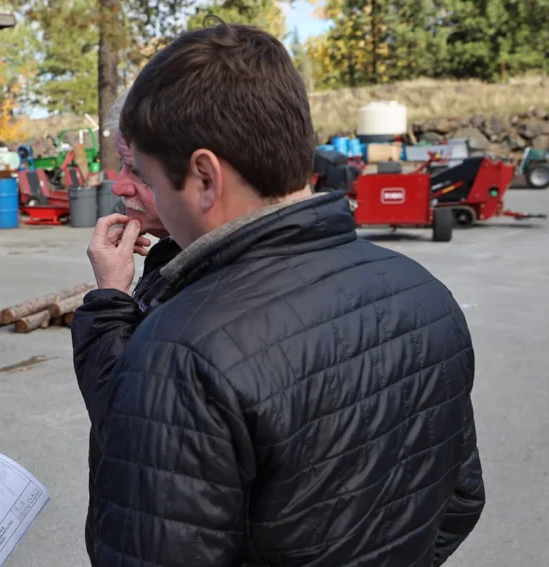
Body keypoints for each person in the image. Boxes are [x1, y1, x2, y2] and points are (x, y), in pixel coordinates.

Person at [85, 22, 485, 566]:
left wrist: (110, 308)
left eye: (146, 174)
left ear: (205, 177)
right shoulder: (425, 294)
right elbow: (458, 501)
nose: (128, 188)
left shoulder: (182, 352)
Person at [69, 86, 181, 561]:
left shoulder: (209, 298)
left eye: (135, 169)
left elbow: (125, 425)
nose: (117, 186)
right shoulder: (176, 257)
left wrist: (111, 298)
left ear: (203, 175)